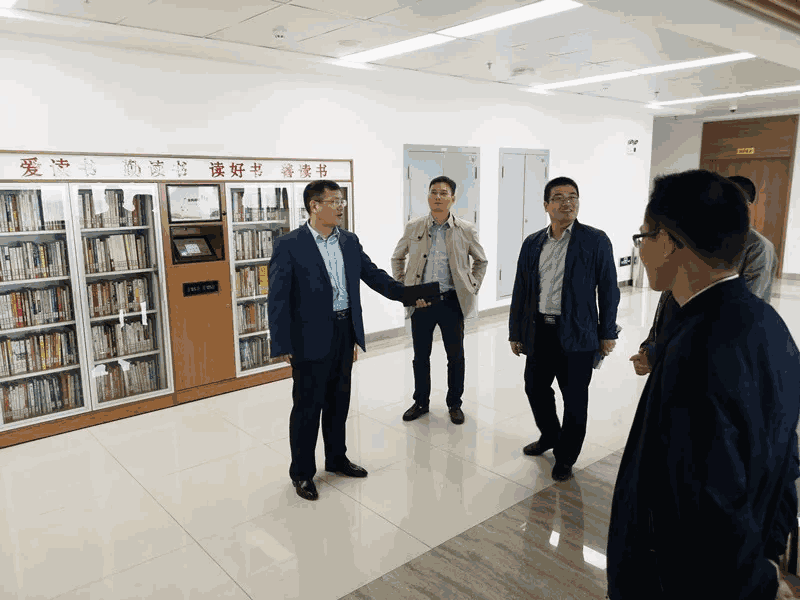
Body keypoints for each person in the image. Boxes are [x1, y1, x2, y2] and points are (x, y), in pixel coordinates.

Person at [608, 169, 800, 599]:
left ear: (668, 242)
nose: (640, 250)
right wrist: (770, 560)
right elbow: (787, 461)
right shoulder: (770, 326)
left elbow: (708, 512)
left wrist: (760, 584)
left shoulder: (696, 355)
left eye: (643, 237)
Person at [268, 180, 419, 501]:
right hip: (308, 338)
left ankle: (336, 458)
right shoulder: (290, 244)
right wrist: (282, 343)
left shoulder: (349, 241)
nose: (341, 207)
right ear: (314, 206)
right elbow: (278, 298)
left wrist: (408, 294)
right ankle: (302, 473)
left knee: (339, 402)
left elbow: (374, 275)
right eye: (334, 201)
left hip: (344, 332)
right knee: (308, 408)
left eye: (342, 201)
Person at [508, 176, 620, 482]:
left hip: (578, 333)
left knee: (575, 399)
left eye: (572, 196)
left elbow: (609, 289)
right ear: (546, 205)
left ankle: (566, 456)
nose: (567, 202)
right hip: (539, 331)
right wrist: (515, 332)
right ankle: (550, 435)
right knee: (535, 387)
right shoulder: (533, 243)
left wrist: (607, 332)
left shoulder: (595, 240)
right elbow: (521, 290)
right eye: (558, 197)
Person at [630, 173, 779, 377]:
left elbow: (748, 305)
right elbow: (669, 305)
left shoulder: (714, 348)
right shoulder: (691, 292)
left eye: (644, 237)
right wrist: (652, 346)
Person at [391, 175, 488, 425]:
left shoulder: (465, 229)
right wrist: (405, 289)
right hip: (421, 302)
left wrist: (472, 286)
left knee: (455, 356)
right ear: (428, 196)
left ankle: (454, 404)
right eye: (433, 192)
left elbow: (481, 261)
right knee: (420, 356)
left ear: (453, 199)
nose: (437, 197)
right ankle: (421, 402)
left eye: (443, 193)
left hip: (451, 301)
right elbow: (397, 257)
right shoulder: (414, 227)